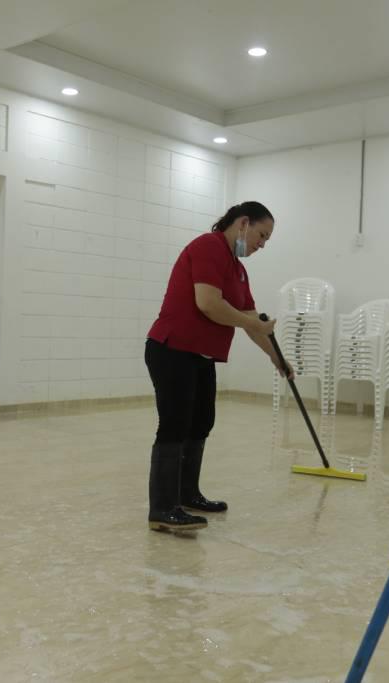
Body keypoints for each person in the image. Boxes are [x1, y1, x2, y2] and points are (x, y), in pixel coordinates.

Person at [144, 201, 293, 532]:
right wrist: (251, 324)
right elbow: (208, 304)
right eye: (261, 234)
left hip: (200, 355)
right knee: (175, 425)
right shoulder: (208, 247)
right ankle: (163, 509)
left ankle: (187, 495)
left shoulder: (237, 268)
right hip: (172, 349)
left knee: (200, 423)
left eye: (267, 239)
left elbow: (253, 320)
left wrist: (276, 358)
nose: (262, 244)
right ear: (243, 223)